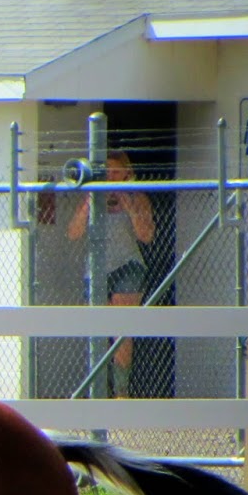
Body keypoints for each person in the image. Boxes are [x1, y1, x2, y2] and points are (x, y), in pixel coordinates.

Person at [68, 150, 155, 397]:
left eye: (116, 171)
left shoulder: (137, 198)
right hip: (96, 268)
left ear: (127, 173)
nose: (111, 176)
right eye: (107, 171)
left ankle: (121, 391)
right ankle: (97, 391)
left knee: (121, 331)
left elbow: (146, 236)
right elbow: (73, 233)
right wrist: (88, 202)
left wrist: (128, 205)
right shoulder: (93, 198)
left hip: (127, 265)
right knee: (97, 329)